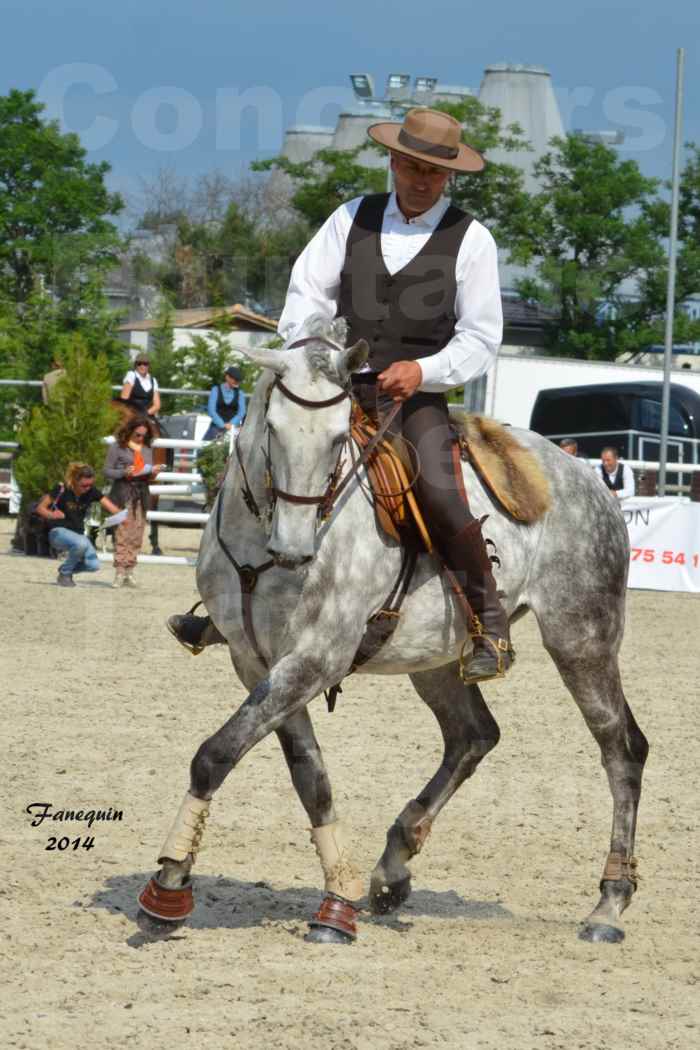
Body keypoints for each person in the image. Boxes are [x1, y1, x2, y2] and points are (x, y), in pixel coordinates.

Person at [168, 108, 512, 684]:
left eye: (433, 171)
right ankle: (226, 604)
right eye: (411, 164)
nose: (420, 178)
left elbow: (481, 336)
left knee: (440, 491)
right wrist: (314, 351)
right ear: (394, 160)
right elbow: (306, 293)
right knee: (263, 458)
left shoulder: (472, 240)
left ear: (449, 174)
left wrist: (424, 369)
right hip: (334, 385)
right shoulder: (352, 217)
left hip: (411, 398)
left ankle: (490, 622)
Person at [35, 463, 121, 587]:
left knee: (93, 565)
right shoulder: (61, 489)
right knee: (81, 543)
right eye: (84, 485)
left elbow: (113, 509)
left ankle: (66, 570)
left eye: (90, 485)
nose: (88, 488)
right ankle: (65, 573)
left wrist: (124, 516)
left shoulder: (92, 491)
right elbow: (40, 508)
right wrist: (52, 515)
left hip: (78, 536)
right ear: (75, 480)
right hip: (58, 532)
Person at [104, 418, 163, 587]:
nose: (140, 438)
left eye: (144, 435)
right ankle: (120, 571)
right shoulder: (117, 447)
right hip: (123, 492)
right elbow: (107, 470)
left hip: (142, 493)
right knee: (123, 532)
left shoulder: (147, 449)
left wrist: (154, 472)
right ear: (130, 431)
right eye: (137, 434)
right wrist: (123, 472)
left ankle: (130, 570)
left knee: (137, 533)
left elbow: (148, 474)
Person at [203, 366, 247, 440]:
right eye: (235, 379)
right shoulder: (215, 390)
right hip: (217, 426)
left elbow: (242, 412)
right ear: (227, 377)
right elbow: (211, 411)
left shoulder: (240, 393)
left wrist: (231, 424)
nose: (237, 382)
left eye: (238, 380)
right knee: (205, 446)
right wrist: (222, 425)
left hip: (233, 427)